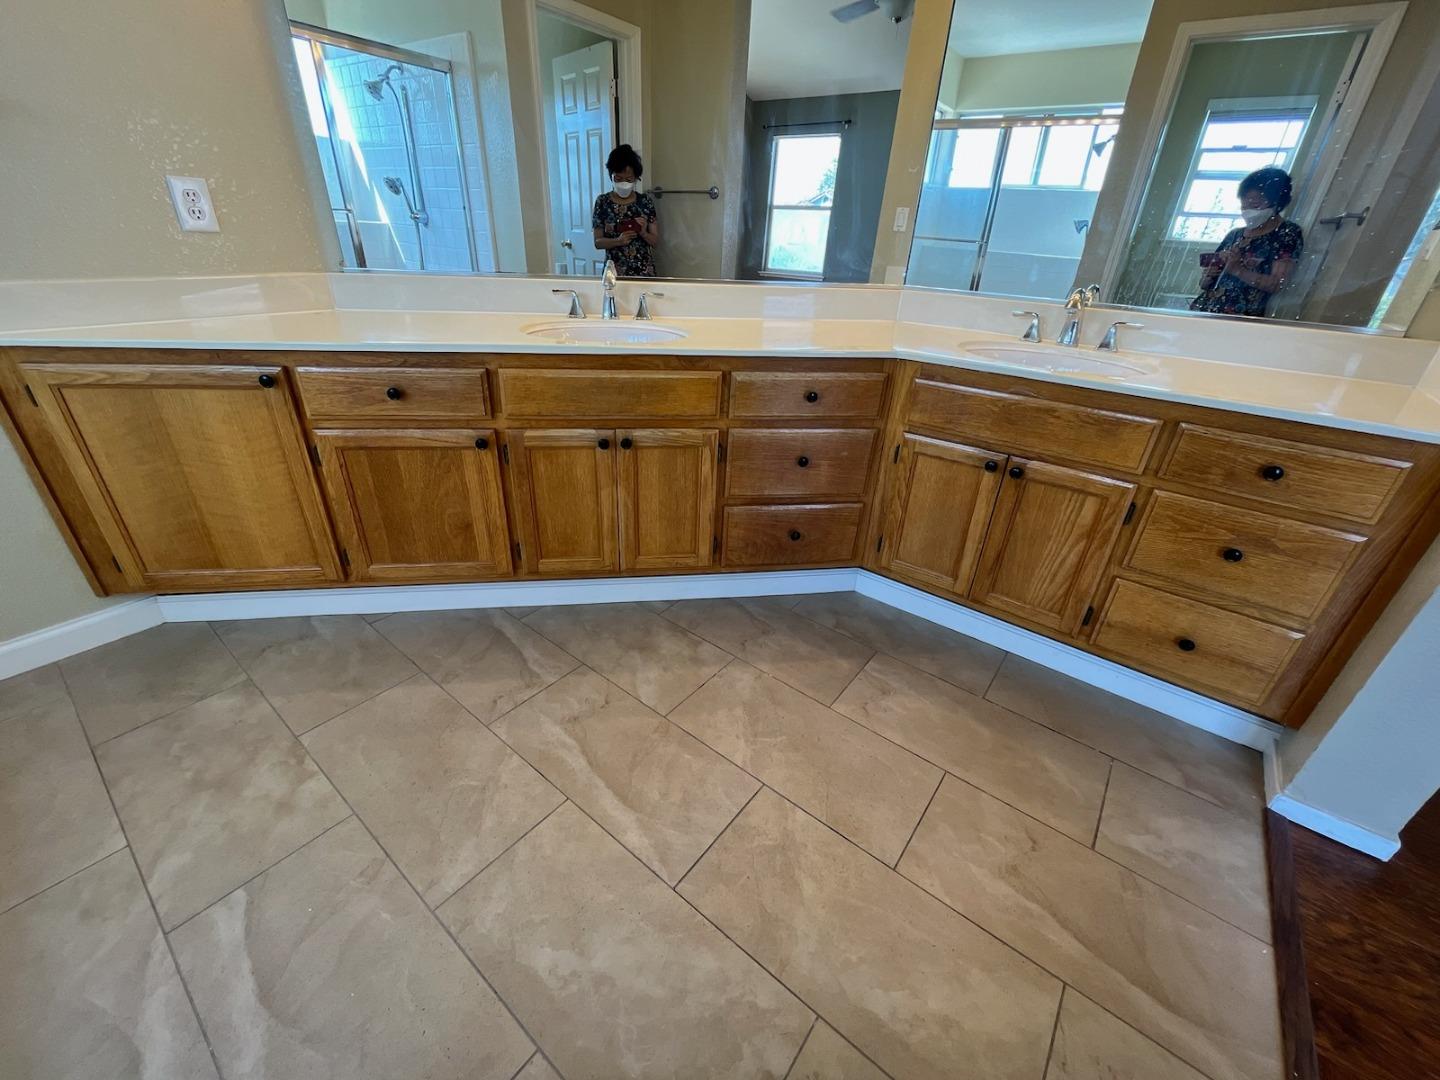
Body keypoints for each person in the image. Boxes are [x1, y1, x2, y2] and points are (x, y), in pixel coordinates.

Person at [1191, 167, 1303, 318]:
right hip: (1205, 310)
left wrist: (1237, 269)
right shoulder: (1234, 235)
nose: (1247, 211)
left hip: (1241, 319)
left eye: (1255, 206)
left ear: (1276, 202)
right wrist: (1209, 276)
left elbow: (1277, 284)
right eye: (1244, 206)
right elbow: (1204, 284)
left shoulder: (1287, 233)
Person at [592, 144, 659, 277]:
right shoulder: (602, 202)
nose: (624, 183)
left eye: (629, 179)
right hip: (615, 273)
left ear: (636, 178)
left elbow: (655, 242)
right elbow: (598, 242)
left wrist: (644, 233)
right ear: (611, 175)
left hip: (644, 271)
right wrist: (618, 241)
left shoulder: (645, 201)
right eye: (618, 178)